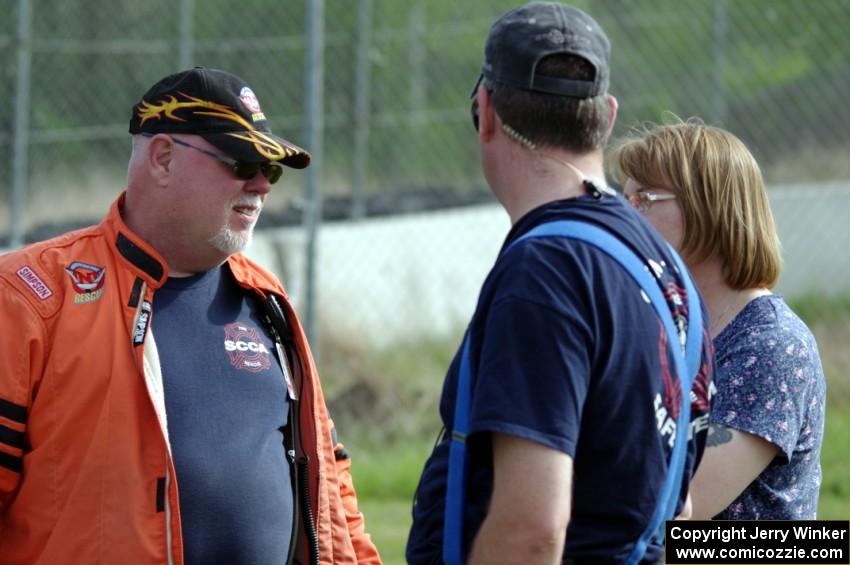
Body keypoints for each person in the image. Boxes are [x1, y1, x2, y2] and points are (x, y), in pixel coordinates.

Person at [0, 67, 381, 565]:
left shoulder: (266, 300)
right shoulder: (32, 296)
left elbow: (330, 483)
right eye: (243, 161)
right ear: (162, 158)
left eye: (273, 168)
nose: (263, 184)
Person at [406, 4, 714, 564]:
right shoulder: (667, 271)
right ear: (608, 116)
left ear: (486, 111)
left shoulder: (547, 270)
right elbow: (679, 508)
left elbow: (532, 530)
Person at [613, 119, 826, 520]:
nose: (625, 216)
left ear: (707, 207)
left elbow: (672, 514)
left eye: (644, 198)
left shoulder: (770, 346)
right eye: (623, 199)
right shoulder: (663, 324)